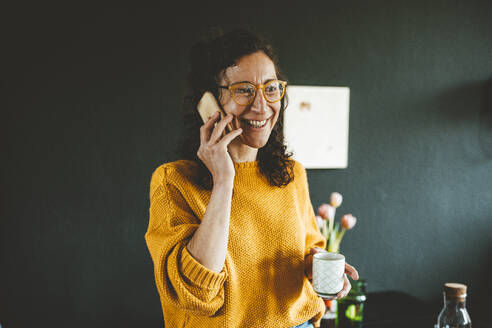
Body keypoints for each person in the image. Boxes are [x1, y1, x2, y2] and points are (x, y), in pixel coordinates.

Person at [144, 28, 359, 328]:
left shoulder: (292, 174)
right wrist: (223, 180)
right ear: (209, 101)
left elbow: (307, 250)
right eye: (243, 90)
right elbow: (197, 294)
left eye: (270, 88)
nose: (261, 106)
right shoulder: (173, 181)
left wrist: (316, 266)